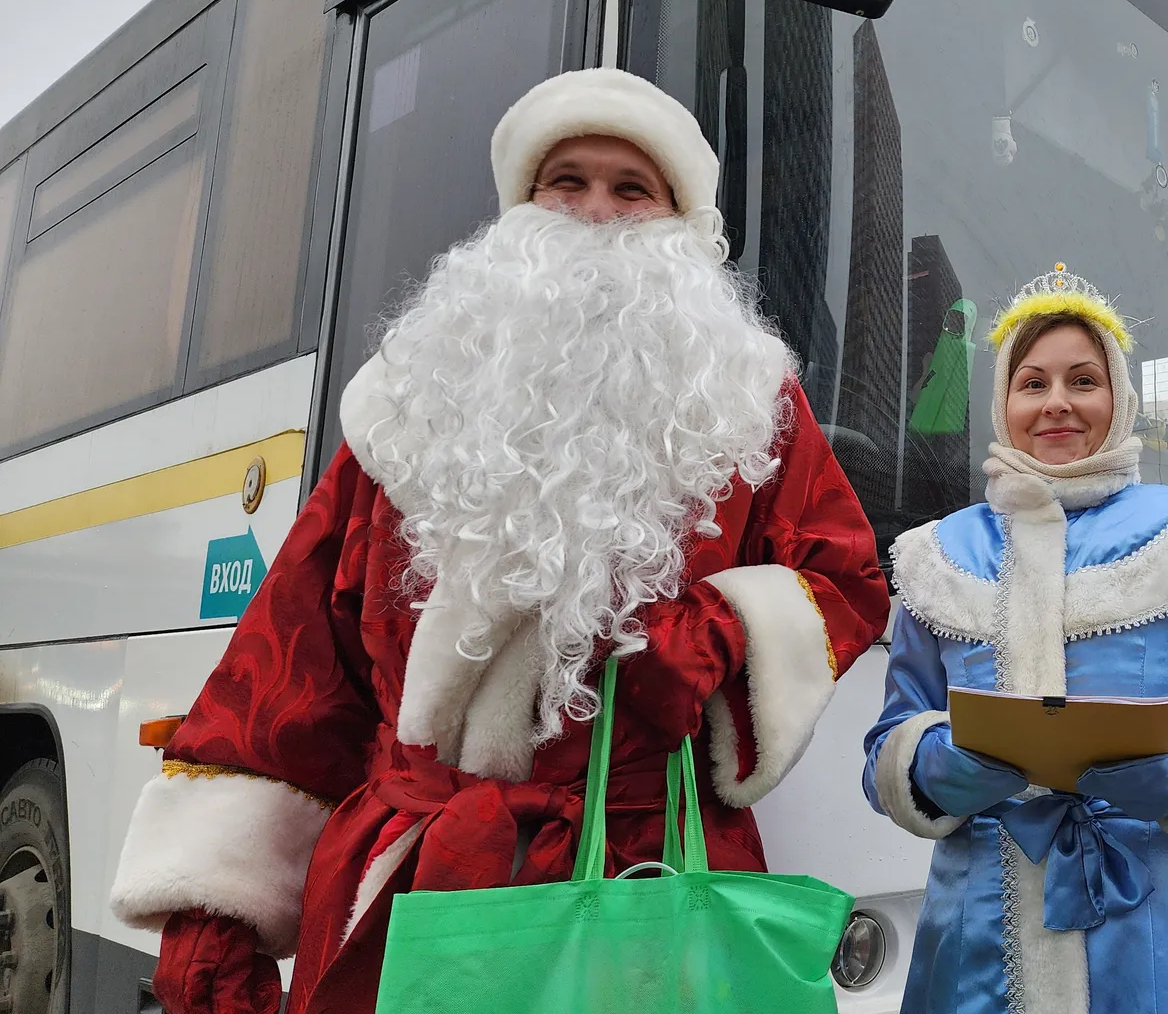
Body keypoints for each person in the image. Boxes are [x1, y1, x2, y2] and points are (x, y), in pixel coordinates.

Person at [108, 69, 891, 1014]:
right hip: (421, 877)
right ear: (521, 207)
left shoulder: (749, 403)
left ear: (679, 223)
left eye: (631, 189)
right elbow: (295, 654)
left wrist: (724, 630)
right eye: (567, 182)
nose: (596, 213)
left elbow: (841, 575)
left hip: (650, 869)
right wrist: (216, 914)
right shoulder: (404, 402)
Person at [862, 265, 1168, 1014]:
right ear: (1004, 402)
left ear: (1120, 397)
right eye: (1032, 383)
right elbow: (886, 746)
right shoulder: (933, 557)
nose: (1057, 403)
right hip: (978, 934)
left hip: (1163, 933)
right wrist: (934, 767)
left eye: (1083, 380)